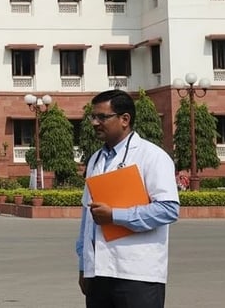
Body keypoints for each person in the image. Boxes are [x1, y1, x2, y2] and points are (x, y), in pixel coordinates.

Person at [76, 89, 179, 308]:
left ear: (125, 119)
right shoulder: (95, 159)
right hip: (99, 273)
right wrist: (84, 266)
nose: (95, 123)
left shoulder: (152, 156)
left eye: (102, 117)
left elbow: (168, 209)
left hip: (138, 272)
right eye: (93, 117)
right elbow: (87, 216)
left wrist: (115, 216)